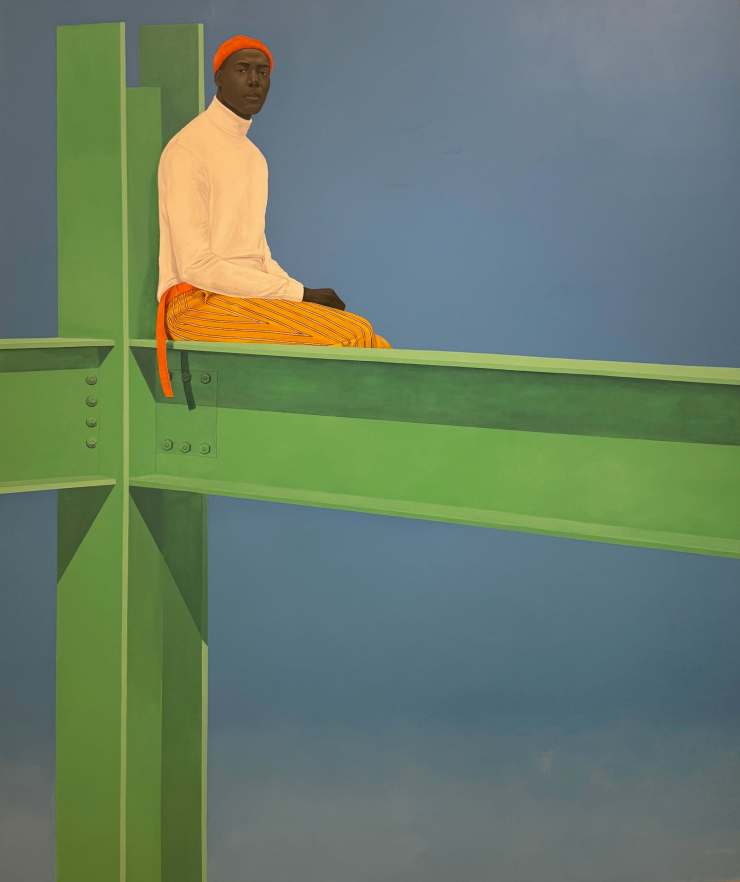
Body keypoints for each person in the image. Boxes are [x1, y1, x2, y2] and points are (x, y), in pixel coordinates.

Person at [155, 34, 390, 397]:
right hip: (195, 306)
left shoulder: (254, 159)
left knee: (371, 336)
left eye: (262, 72)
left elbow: (258, 254)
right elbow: (195, 266)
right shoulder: (188, 149)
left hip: (245, 301)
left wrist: (301, 293)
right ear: (219, 78)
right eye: (242, 70)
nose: (254, 81)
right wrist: (298, 293)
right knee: (351, 335)